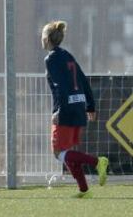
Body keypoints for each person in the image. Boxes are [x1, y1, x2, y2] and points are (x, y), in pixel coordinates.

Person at [41, 20, 109, 198]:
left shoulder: (51, 59)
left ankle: (97, 162)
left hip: (66, 109)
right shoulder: (68, 55)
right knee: (68, 153)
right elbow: (83, 79)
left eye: (42, 36)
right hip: (78, 106)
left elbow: (60, 86)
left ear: (47, 39)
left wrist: (59, 111)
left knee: (59, 153)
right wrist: (90, 105)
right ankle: (84, 190)